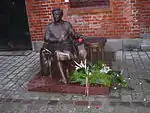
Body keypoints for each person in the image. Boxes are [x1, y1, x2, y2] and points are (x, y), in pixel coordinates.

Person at [40, 8, 87, 83]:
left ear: (61, 15)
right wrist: (56, 40)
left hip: (67, 45)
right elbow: (46, 38)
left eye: (57, 14)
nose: (55, 16)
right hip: (55, 46)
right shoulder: (50, 26)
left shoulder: (67, 24)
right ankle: (63, 77)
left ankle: (75, 70)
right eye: (54, 14)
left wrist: (80, 36)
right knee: (57, 54)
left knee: (74, 52)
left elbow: (73, 34)